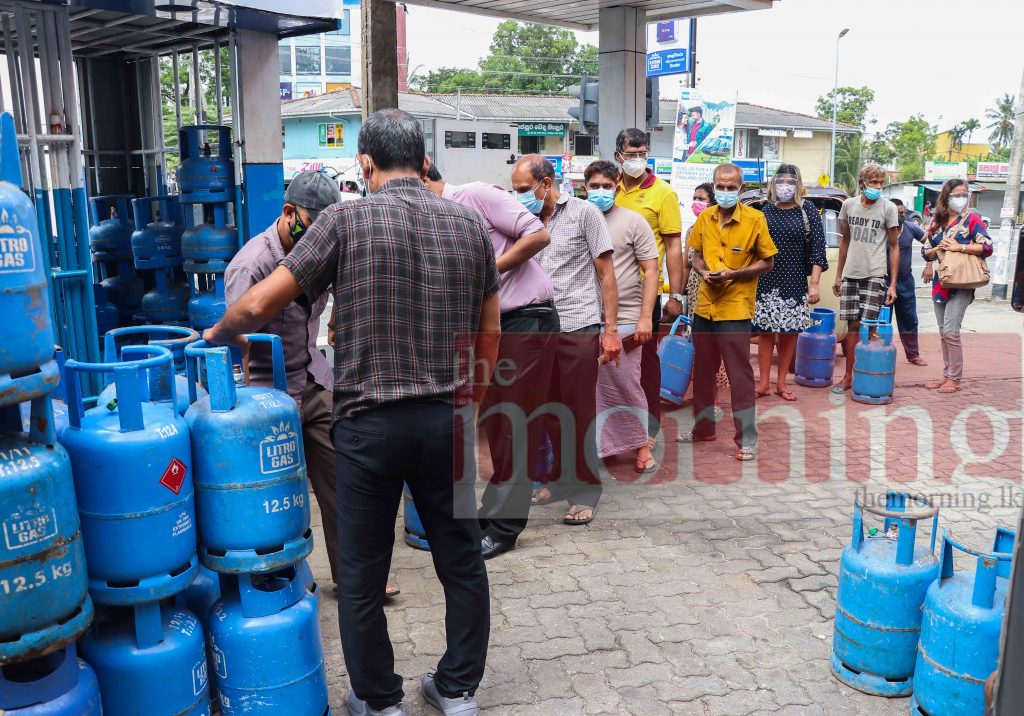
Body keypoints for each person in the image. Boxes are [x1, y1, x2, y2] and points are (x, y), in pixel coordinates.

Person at [204, 109, 500, 716]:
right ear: (423, 162)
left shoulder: (344, 219)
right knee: (461, 559)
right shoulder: (468, 225)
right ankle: (458, 690)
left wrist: (215, 334)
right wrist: (473, 398)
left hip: (367, 422)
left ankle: (378, 699)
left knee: (363, 572)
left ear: (364, 163)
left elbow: (259, 302)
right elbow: (490, 330)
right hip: (444, 417)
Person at [422, 162, 558, 561]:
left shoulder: (475, 195)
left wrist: (489, 273)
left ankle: (506, 528)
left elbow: (538, 234)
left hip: (527, 321)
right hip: (493, 328)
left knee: (515, 425)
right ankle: (493, 511)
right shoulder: (435, 219)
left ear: (423, 174)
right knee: (498, 424)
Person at [511, 154, 620, 527]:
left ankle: (586, 491)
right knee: (545, 412)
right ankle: (557, 481)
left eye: (525, 189)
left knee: (577, 412)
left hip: (578, 325)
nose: (520, 195)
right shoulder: (521, 219)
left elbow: (606, 274)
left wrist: (610, 330)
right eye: (516, 189)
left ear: (547, 182)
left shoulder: (585, 214)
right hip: (538, 329)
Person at [676, 163, 777, 461]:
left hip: (735, 308)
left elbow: (767, 261)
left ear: (741, 189)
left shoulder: (755, 219)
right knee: (703, 372)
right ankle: (703, 428)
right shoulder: (705, 218)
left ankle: (746, 439)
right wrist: (704, 271)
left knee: (740, 374)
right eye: (721, 186)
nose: (725, 191)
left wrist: (736, 273)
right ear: (714, 186)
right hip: (705, 307)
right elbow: (694, 256)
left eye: (731, 187)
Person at [584, 160, 659, 472]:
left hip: (627, 315)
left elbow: (652, 270)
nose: (600, 191)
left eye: (606, 185)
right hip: (586, 315)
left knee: (626, 383)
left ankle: (641, 443)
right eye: (594, 186)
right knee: (595, 388)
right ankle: (607, 446)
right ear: (583, 188)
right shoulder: (579, 218)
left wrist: (645, 318)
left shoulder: (634, 221)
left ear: (617, 186)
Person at [613, 128, 684, 443]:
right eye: (632, 154)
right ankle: (617, 426)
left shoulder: (663, 192)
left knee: (645, 359)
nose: (638, 160)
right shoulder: (607, 188)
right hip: (608, 289)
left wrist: (676, 295)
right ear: (619, 156)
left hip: (646, 294)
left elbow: (673, 247)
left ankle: (649, 428)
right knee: (612, 360)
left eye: (643, 153)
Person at [753, 163, 828, 401]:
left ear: (798, 185)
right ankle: (763, 383)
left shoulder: (808, 211)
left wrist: (814, 284)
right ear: (773, 183)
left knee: (789, 333)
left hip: (795, 280)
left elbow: (818, 251)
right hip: (766, 280)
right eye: (781, 181)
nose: (785, 186)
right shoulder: (763, 211)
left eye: (790, 181)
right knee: (766, 333)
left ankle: (781, 383)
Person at [832, 164, 899, 394]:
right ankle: (848, 376)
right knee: (851, 326)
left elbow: (894, 246)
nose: (878, 187)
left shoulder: (888, 208)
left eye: (881, 182)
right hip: (851, 273)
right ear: (863, 182)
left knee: (867, 327)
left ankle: (867, 375)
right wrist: (838, 275)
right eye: (874, 182)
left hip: (875, 274)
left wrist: (892, 284)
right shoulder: (849, 206)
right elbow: (845, 241)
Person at [920, 179, 992, 393]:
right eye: (957, 195)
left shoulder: (972, 220)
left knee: (951, 331)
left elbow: (987, 247)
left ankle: (954, 379)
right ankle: (946, 376)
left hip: (963, 282)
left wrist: (960, 246)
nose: (961, 199)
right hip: (941, 282)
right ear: (946, 197)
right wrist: (935, 251)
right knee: (943, 333)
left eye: (964, 194)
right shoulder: (937, 222)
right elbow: (926, 251)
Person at [681, 183, 729, 414]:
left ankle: (716, 398)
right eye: (694, 197)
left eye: (701, 198)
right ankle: (700, 395)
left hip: (715, 291)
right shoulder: (692, 230)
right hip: (694, 292)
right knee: (697, 345)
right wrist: (679, 293)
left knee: (714, 346)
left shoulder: (721, 228)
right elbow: (685, 263)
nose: (696, 202)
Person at [888, 198, 928, 366]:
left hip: (905, 282)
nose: (901, 215)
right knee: (881, 320)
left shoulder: (910, 228)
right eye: (897, 213)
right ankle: (880, 354)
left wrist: (929, 265)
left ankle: (913, 354)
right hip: (883, 282)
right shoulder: (880, 229)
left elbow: (930, 242)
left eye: (903, 213)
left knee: (909, 319)